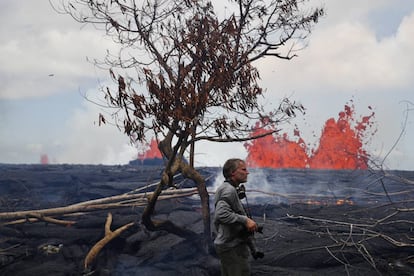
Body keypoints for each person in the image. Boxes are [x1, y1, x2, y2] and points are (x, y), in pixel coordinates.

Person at [214, 158, 263, 276]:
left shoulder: (230, 189)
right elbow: (221, 214)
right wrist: (245, 220)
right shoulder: (229, 190)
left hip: (232, 245)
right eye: (243, 169)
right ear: (232, 172)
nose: (247, 172)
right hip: (232, 248)